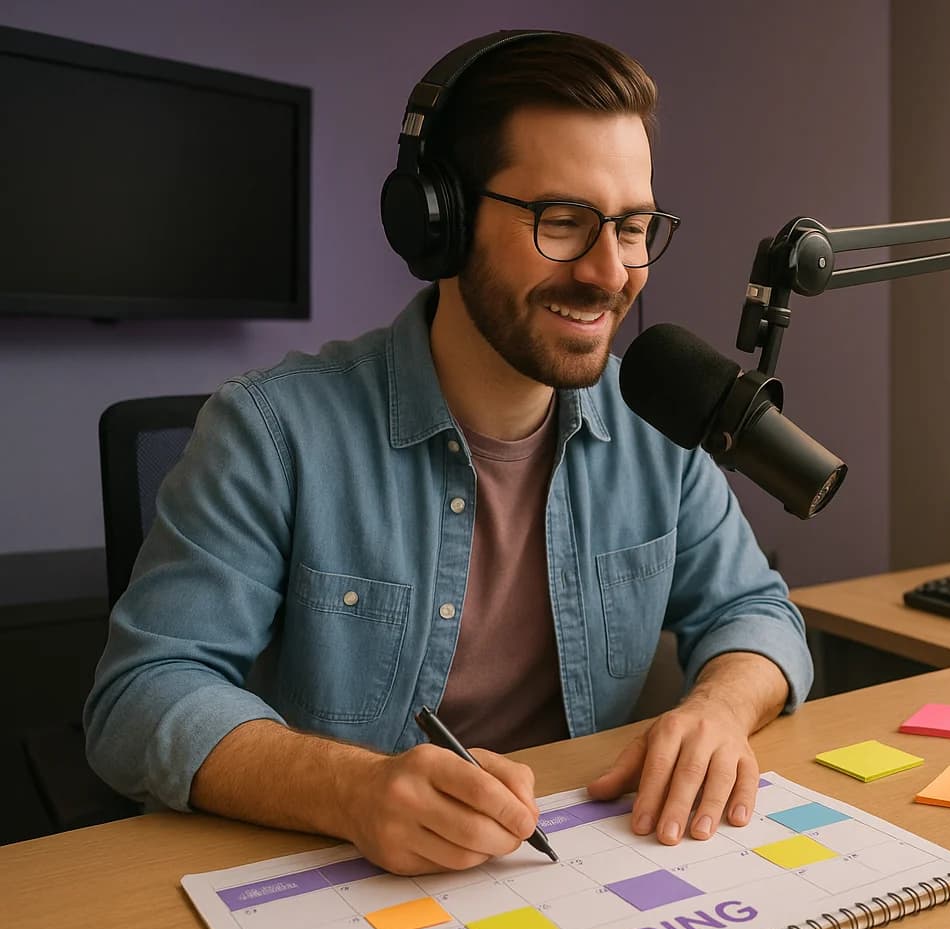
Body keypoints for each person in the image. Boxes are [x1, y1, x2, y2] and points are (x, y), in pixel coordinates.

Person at [84, 30, 812, 876]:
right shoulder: (270, 432)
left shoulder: (656, 420)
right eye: (565, 222)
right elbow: (140, 697)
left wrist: (720, 709)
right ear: (441, 220)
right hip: (341, 883)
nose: (611, 272)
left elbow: (757, 612)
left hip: (573, 873)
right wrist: (351, 790)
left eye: (635, 226)